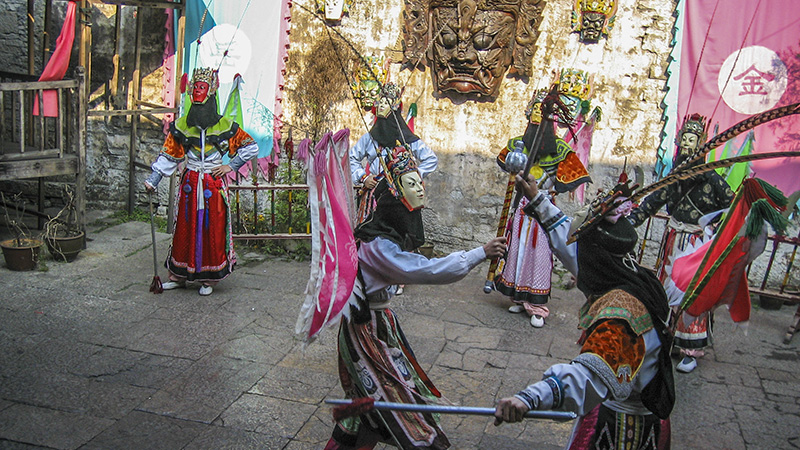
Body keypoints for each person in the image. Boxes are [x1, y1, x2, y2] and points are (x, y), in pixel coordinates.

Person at [325, 144, 507, 450]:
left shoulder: (378, 235)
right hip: (367, 330)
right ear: (395, 196)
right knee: (396, 403)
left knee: (372, 405)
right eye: (411, 184)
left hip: (374, 324)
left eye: (419, 182)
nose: (420, 189)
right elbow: (428, 270)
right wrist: (479, 253)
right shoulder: (379, 247)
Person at [494, 173, 674, 450]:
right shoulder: (632, 275)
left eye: (583, 251)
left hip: (623, 428)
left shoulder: (620, 316)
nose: (577, 257)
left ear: (594, 257)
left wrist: (531, 397)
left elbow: (588, 376)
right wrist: (536, 198)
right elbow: (568, 243)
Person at [628, 113, 734, 373]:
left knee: (690, 292)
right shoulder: (675, 176)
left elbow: (731, 207)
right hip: (673, 238)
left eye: (691, 140)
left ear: (700, 146)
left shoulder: (712, 179)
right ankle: (666, 339)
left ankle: (690, 349)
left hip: (695, 243)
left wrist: (714, 228)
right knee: (665, 288)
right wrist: (627, 222)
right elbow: (653, 201)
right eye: (683, 139)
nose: (686, 145)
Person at [144, 67, 259, 296]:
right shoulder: (183, 125)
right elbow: (170, 154)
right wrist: (154, 179)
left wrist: (230, 166)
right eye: (195, 87)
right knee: (184, 229)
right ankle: (179, 276)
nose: (198, 90)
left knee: (212, 230)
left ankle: (208, 279)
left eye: (202, 87)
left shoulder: (225, 125)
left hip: (212, 186)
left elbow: (250, 146)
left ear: (210, 92)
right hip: (190, 183)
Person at [494, 91, 591, 327]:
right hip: (520, 208)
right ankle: (518, 295)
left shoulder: (559, 149)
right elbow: (506, 164)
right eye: (534, 112)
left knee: (538, 255)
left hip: (542, 208)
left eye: (542, 112)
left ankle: (536, 305)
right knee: (516, 250)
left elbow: (573, 175)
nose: (537, 116)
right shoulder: (516, 145)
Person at [350, 82, 438, 295]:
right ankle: (369, 271)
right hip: (374, 196)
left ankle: (398, 277)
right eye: (379, 102)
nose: (381, 106)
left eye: (386, 103)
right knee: (373, 233)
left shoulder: (408, 140)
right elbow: (352, 158)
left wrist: (411, 176)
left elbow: (430, 160)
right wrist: (364, 177)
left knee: (398, 233)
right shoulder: (369, 138)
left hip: (399, 197)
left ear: (395, 107)